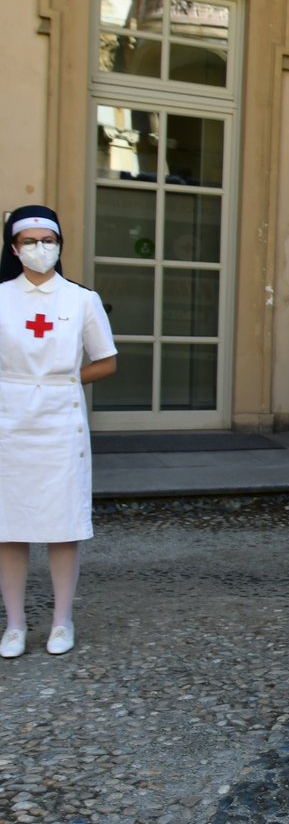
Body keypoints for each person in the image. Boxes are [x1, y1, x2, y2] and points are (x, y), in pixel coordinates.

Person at [0, 205, 117, 659]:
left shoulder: (80, 300)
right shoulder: (1, 297)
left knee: (62, 523)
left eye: (47, 241)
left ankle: (62, 620)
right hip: (8, 420)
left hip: (60, 419)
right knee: (8, 526)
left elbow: (106, 360)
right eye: (28, 241)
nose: (38, 249)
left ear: (59, 245)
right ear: (14, 248)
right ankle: (14, 624)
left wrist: (67, 379)